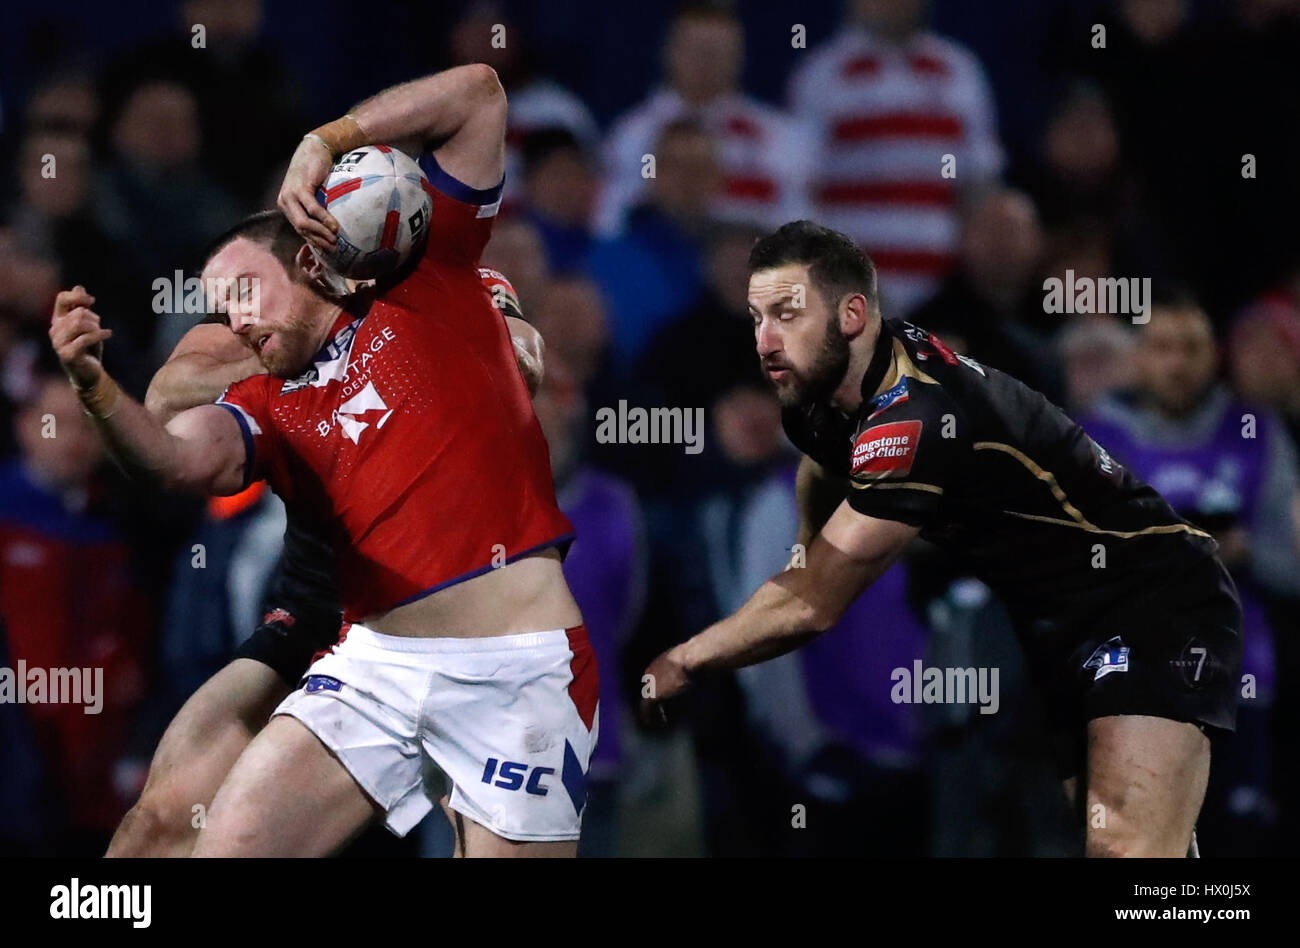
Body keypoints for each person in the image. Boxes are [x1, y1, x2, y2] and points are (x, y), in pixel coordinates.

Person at [52, 64, 596, 858]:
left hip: (511, 653)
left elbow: (479, 92)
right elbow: (170, 426)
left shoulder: (432, 279)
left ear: (312, 254)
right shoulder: (255, 371)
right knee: (162, 827)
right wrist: (97, 388)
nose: (230, 319)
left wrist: (326, 141)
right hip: (342, 625)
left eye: (242, 290)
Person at [642, 221, 1243, 857]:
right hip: (1058, 627)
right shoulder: (823, 389)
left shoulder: (918, 417)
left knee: (1127, 849)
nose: (765, 341)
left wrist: (686, 657)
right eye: (757, 317)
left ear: (851, 315)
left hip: (1151, 595)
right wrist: (806, 537)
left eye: (787, 314)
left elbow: (812, 603)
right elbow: (820, 463)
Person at [107, 267, 543, 857]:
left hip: (441, 629)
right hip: (310, 616)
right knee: (156, 826)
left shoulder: (459, 281)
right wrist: (310, 354)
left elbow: (522, 362)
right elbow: (166, 396)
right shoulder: (272, 309)